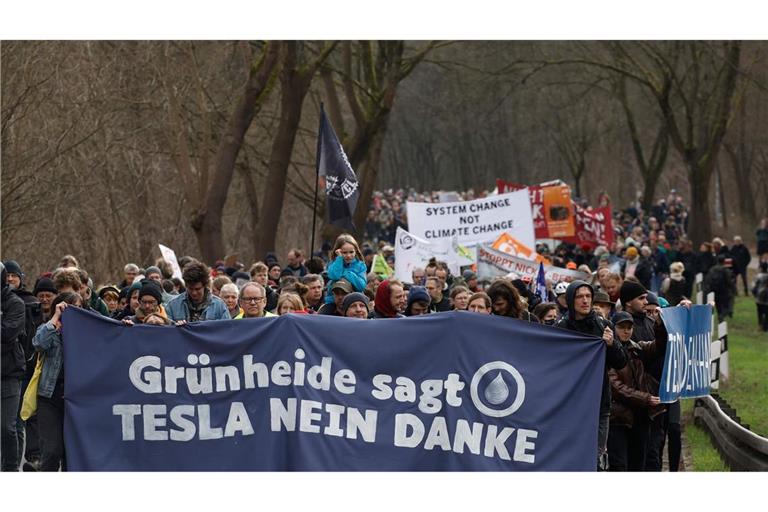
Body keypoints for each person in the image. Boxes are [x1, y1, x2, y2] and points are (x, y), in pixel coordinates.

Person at [555, 280, 627, 471]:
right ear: (570, 300)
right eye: (579, 297)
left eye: (588, 296)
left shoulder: (603, 324)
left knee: (596, 458)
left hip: (599, 403)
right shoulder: (561, 328)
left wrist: (612, 345)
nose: (585, 301)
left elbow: (621, 362)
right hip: (570, 405)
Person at [32, 291, 86, 471]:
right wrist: (56, 316)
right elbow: (39, 343)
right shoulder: (52, 328)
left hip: (76, 399)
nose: (75, 312)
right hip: (50, 397)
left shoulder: (87, 331)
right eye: (71, 308)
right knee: (52, 450)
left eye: (79, 308)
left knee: (72, 453)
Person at [606, 311, 663, 472]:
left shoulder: (637, 349)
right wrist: (646, 398)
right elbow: (616, 388)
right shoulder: (607, 351)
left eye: (629, 327)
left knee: (638, 465)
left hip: (640, 417)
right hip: (618, 419)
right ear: (613, 327)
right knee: (619, 466)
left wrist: (660, 323)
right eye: (622, 327)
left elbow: (660, 344)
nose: (626, 331)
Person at [1, 262, 27, 471]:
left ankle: (10, 470)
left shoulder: (15, 303)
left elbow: (7, 333)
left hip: (8, 372)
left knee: (7, 427)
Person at [165, 261, 230, 323]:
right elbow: (168, 331)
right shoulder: (173, 306)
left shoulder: (219, 306)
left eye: (197, 289)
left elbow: (227, 330)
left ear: (205, 286)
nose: (194, 293)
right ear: (186, 285)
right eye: (190, 288)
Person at [324, 234, 367, 305]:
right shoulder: (333, 263)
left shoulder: (360, 265)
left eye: (351, 252)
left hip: (354, 301)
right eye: (344, 252)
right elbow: (335, 276)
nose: (348, 256)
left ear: (356, 251)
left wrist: (345, 273)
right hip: (333, 301)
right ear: (338, 252)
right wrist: (339, 259)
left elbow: (361, 286)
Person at [703, 254, 735, 319]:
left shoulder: (712, 269)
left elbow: (707, 280)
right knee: (727, 304)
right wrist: (733, 289)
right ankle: (723, 315)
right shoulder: (725, 270)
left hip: (713, 290)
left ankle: (720, 316)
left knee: (718, 305)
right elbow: (729, 281)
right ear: (724, 261)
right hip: (724, 291)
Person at [752, 261, 768, 332]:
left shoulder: (758, 276)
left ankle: (760, 324)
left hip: (759, 297)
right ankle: (765, 326)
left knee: (760, 312)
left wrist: (755, 294)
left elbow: (753, 287)